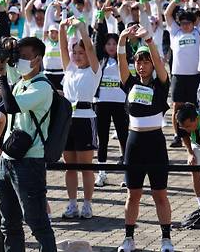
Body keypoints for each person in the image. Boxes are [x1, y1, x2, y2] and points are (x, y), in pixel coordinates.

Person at [0, 36, 57, 251]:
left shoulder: (42, 87)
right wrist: (6, 50)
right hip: (8, 159)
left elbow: (10, 105)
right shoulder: (21, 81)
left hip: (30, 162)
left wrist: (2, 76)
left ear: (37, 59)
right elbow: (2, 54)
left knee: (37, 223)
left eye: (24, 57)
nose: (18, 61)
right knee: (8, 223)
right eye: (17, 57)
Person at [117, 24, 174, 252]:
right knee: (133, 195)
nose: (141, 66)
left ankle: (166, 239)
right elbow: (122, 64)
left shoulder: (161, 83)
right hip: (134, 143)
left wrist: (149, 41)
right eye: (138, 62)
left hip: (156, 143)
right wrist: (122, 40)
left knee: (160, 194)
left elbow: (161, 66)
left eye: (146, 61)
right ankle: (129, 238)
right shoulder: (130, 83)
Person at [59, 17, 102, 219]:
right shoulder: (69, 69)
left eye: (80, 53)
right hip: (68, 119)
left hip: (86, 118)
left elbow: (92, 50)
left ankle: (88, 204)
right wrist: (61, 27)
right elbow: (62, 47)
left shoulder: (94, 70)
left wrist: (82, 29)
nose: (77, 56)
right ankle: (72, 204)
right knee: (69, 165)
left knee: (86, 166)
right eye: (74, 53)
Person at [93, 32, 129, 187]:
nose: (112, 47)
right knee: (103, 139)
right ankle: (102, 174)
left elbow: (123, 41)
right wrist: (101, 18)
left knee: (124, 137)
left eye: (114, 44)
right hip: (101, 103)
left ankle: (128, 175)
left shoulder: (124, 59)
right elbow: (97, 40)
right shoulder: (100, 60)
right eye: (108, 44)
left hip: (121, 103)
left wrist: (120, 21)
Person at [164, 0, 200, 148]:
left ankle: (195, 135)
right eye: (183, 23)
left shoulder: (198, 32)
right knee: (176, 107)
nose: (185, 25)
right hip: (178, 75)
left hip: (195, 75)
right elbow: (167, 14)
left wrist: (198, 0)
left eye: (188, 23)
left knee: (194, 107)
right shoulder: (175, 32)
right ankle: (177, 135)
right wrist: (176, 1)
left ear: (193, 24)